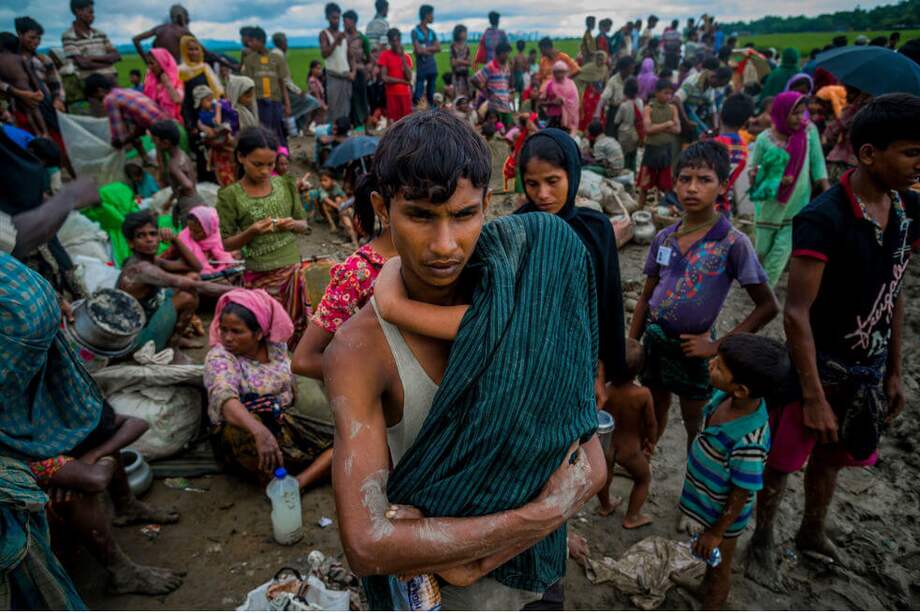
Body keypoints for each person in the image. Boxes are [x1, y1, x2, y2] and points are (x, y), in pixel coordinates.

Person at [323, 110, 605, 610]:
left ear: (488, 205)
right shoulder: (361, 351)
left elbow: (593, 462)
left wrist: (497, 545)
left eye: (463, 215)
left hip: (537, 580)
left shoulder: (527, 293)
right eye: (420, 216)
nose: (445, 245)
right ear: (381, 207)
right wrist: (538, 515)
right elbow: (367, 545)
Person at [744, 94, 920, 586]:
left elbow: (895, 287)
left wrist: (894, 371)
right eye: (909, 152)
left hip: (868, 367)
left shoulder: (907, 210)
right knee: (782, 461)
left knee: (834, 457)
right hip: (817, 367)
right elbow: (796, 315)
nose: (918, 163)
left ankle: (812, 529)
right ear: (868, 154)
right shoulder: (825, 217)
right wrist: (814, 395)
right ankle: (761, 540)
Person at [0, 253, 190, 598]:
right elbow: (95, 476)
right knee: (74, 490)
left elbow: (131, 423)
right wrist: (88, 462)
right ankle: (121, 570)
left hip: (35, 410)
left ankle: (126, 506)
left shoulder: (48, 382)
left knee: (93, 428)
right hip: (20, 458)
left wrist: (94, 452)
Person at [629, 141, 779, 454]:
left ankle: (698, 469)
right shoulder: (664, 237)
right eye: (685, 179)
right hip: (656, 340)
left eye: (704, 180)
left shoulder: (732, 243)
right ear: (674, 182)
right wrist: (633, 342)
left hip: (694, 349)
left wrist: (716, 346)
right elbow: (646, 296)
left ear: (723, 186)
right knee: (655, 404)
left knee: (694, 415)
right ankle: (646, 456)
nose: (692, 188)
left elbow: (767, 306)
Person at [516, 127, 628, 411]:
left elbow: (608, 302)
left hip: (580, 357)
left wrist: (600, 369)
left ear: (573, 174)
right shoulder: (517, 228)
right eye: (532, 183)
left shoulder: (596, 229)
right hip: (527, 358)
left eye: (553, 181)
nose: (542, 194)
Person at [681, 333, 787, 610]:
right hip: (711, 507)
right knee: (710, 558)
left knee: (720, 567)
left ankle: (713, 600)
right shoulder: (723, 398)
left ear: (741, 390)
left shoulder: (749, 441)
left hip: (724, 520)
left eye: (718, 366)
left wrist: (716, 532)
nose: (710, 364)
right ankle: (704, 588)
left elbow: (742, 492)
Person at [205, 289, 333, 489]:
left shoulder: (276, 347)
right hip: (246, 429)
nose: (227, 338)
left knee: (343, 442)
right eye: (223, 329)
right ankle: (291, 471)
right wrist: (260, 433)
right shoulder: (220, 358)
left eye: (237, 331)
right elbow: (225, 400)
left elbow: (290, 382)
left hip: (281, 418)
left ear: (258, 333)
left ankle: (299, 483)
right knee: (243, 433)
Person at [292, 176, 398, 380]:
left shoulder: (439, 261)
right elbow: (304, 360)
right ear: (383, 209)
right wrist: (378, 380)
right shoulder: (359, 271)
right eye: (421, 213)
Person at [217, 127, 312, 344]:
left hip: (292, 272)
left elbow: (305, 225)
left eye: (270, 164)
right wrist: (252, 231)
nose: (265, 172)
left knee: (298, 329)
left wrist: (292, 224)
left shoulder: (285, 184)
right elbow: (227, 244)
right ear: (241, 157)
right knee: (269, 331)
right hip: (260, 276)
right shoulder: (230, 196)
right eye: (257, 165)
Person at [118, 210, 229, 351]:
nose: (150, 239)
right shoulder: (142, 268)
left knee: (192, 276)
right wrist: (242, 290)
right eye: (141, 236)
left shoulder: (152, 261)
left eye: (153, 234)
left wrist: (175, 239)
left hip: (146, 320)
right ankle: (172, 347)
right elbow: (198, 286)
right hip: (137, 340)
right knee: (187, 297)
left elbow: (196, 267)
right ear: (131, 243)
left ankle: (171, 339)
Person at [750, 91, 829, 287]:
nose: (800, 118)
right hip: (769, 205)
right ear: (781, 112)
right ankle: (754, 281)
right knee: (762, 250)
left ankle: (765, 291)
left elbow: (817, 161)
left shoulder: (808, 131)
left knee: (781, 251)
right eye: (795, 113)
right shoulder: (763, 139)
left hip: (797, 203)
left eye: (802, 113)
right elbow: (753, 172)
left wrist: (826, 187)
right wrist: (775, 179)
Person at [597, 338, 656, 528]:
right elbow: (651, 423)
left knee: (604, 478)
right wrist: (650, 442)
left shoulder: (605, 390)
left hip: (607, 445)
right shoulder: (643, 394)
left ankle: (606, 506)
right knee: (643, 478)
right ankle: (632, 517)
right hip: (630, 448)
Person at [84, 74, 166, 158]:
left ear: (99, 90)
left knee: (122, 140)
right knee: (132, 134)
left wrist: (115, 145)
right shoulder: (121, 91)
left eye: (94, 96)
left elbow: (118, 135)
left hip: (161, 131)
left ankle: (151, 161)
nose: (97, 100)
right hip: (168, 122)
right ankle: (146, 159)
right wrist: (132, 135)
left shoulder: (109, 99)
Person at [61, 0, 120, 101]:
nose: (93, 16)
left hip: (111, 81)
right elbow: (83, 64)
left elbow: (117, 56)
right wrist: (108, 63)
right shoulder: (69, 36)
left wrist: (91, 58)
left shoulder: (100, 33)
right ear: (78, 11)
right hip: (93, 88)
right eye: (90, 12)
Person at [241, 27, 291, 148]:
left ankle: (282, 155)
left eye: (252, 41)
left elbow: (282, 82)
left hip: (275, 101)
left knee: (278, 129)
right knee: (263, 130)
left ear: (260, 41)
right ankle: (268, 154)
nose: (249, 44)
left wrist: (287, 104)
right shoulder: (249, 60)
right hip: (258, 101)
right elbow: (248, 84)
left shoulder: (277, 59)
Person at [150, 119, 203, 227]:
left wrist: (173, 198)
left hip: (189, 207)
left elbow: (187, 185)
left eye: (155, 140)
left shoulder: (173, 164)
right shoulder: (182, 154)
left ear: (165, 142)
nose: (152, 143)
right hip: (197, 201)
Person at [637, 78, 680, 209]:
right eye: (665, 93)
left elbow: (678, 129)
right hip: (652, 150)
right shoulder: (649, 108)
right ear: (656, 93)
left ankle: (663, 210)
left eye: (670, 93)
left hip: (666, 150)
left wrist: (657, 127)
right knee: (645, 184)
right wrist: (667, 124)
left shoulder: (673, 108)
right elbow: (648, 129)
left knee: (665, 184)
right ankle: (640, 208)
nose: (668, 96)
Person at [712, 92, 755, 216]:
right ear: (745, 122)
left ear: (721, 114)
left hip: (705, 207)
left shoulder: (710, 145)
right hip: (723, 207)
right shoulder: (743, 150)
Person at [0, 33, 47, 136]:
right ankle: (45, 132)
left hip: (14, 91)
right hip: (25, 86)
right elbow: (31, 75)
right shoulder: (20, 58)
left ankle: (37, 133)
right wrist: (38, 89)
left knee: (28, 113)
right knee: (35, 110)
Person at [472, 41, 514, 127]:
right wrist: (486, 92)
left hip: (505, 104)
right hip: (495, 106)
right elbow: (474, 80)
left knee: (507, 128)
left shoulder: (507, 66)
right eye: (505, 53)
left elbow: (508, 82)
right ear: (499, 53)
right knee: (497, 128)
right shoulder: (490, 66)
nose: (507, 55)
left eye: (508, 53)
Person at [377, 28, 413, 122]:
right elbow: (384, 78)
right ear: (389, 41)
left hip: (405, 95)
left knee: (406, 122)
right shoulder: (384, 55)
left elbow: (409, 77)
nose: (396, 43)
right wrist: (402, 81)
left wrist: (402, 58)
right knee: (394, 123)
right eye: (393, 41)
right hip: (391, 94)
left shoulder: (406, 57)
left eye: (398, 40)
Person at [343, 11, 371, 129]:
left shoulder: (362, 38)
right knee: (349, 100)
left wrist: (367, 70)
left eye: (346, 22)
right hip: (346, 74)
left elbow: (368, 58)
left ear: (354, 22)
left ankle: (365, 125)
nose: (344, 24)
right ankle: (351, 124)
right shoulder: (342, 37)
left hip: (359, 73)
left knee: (362, 99)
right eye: (343, 22)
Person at [143, 47, 183, 121]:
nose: (149, 67)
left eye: (152, 63)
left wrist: (167, 83)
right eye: (148, 63)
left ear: (162, 63)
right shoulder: (150, 81)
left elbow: (177, 100)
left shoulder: (176, 80)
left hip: (173, 123)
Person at [613, 77, 644, 173]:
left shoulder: (624, 105)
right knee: (633, 154)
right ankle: (633, 173)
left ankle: (624, 172)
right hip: (636, 133)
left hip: (624, 133)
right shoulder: (640, 102)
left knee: (624, 155)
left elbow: (616, 121)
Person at [539, 61, 580, 134]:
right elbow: (540, 103)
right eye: (558, 72)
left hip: (568, 120)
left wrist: (564, 101)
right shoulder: (549, 85)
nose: (560, 75)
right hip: (553, 118)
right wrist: (552, 103)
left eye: (562, 72)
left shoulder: (571, 84)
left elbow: (575, 101)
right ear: (554, 73)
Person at [412, 4, 440, 107]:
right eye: (431, 14)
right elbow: (418, 51)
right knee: (418, 96)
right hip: (422, 69)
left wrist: (424, 49)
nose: (433, 17)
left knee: (430, 97)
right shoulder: (415, 31)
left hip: (432, 68)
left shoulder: (432, 32)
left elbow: (438, 48)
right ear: (426, 15)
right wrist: (431, 49)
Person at [597, 56, 635, 129]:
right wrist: (597, 114)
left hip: (628, 113)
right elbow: (603, 98)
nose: (633, 71)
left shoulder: (631, 80)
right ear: (623, 69)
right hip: (615, 111)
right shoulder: (613, 81)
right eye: (631, 68)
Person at [575, 50, 609, 131]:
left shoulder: (605, 69)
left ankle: (596, 131)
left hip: (600, 95)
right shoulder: (589, 67)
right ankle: (585, 131)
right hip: (589, 94)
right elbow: (578, 76)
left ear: (605, 60)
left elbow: (606, 82)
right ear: (595, 59)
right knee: (588, 113)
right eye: (598, 59)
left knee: (599, 113)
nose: (600, 61)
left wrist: (605, 93)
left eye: (602, 59)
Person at [451, 25, 472, 98]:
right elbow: (453, 63)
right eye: (465, 32)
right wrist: (464, 62)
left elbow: (470, 63)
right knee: (457, 97)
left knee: (466, 96)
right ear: (458, 33)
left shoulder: (467, 47)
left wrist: (459, 61)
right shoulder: (453, 46)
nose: (466, 34)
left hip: (465, 76)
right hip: (457, 76)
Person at [512, 40, 529, 109]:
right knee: (521, 92)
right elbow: (527, 68)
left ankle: (515, 108)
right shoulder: (525, 57)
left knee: (515, 93)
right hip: (522, 75)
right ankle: (520, 107)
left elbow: (512, 68)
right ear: (524, 47)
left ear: (517, 47)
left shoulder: (515, 57)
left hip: (516, 75)